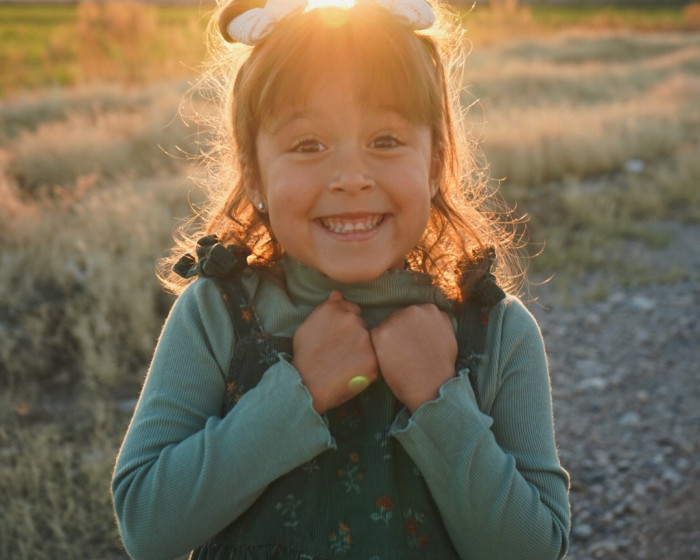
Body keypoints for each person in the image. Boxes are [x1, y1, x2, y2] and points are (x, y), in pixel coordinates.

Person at [111, 1, 570, 559]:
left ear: (434, 163)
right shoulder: (217, 315)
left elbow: (536, 549)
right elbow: (147, 526)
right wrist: (299, 390)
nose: (351, 178)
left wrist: (437, 399)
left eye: (385, 140)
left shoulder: (496, 332)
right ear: (254, 173)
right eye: (309, 146)